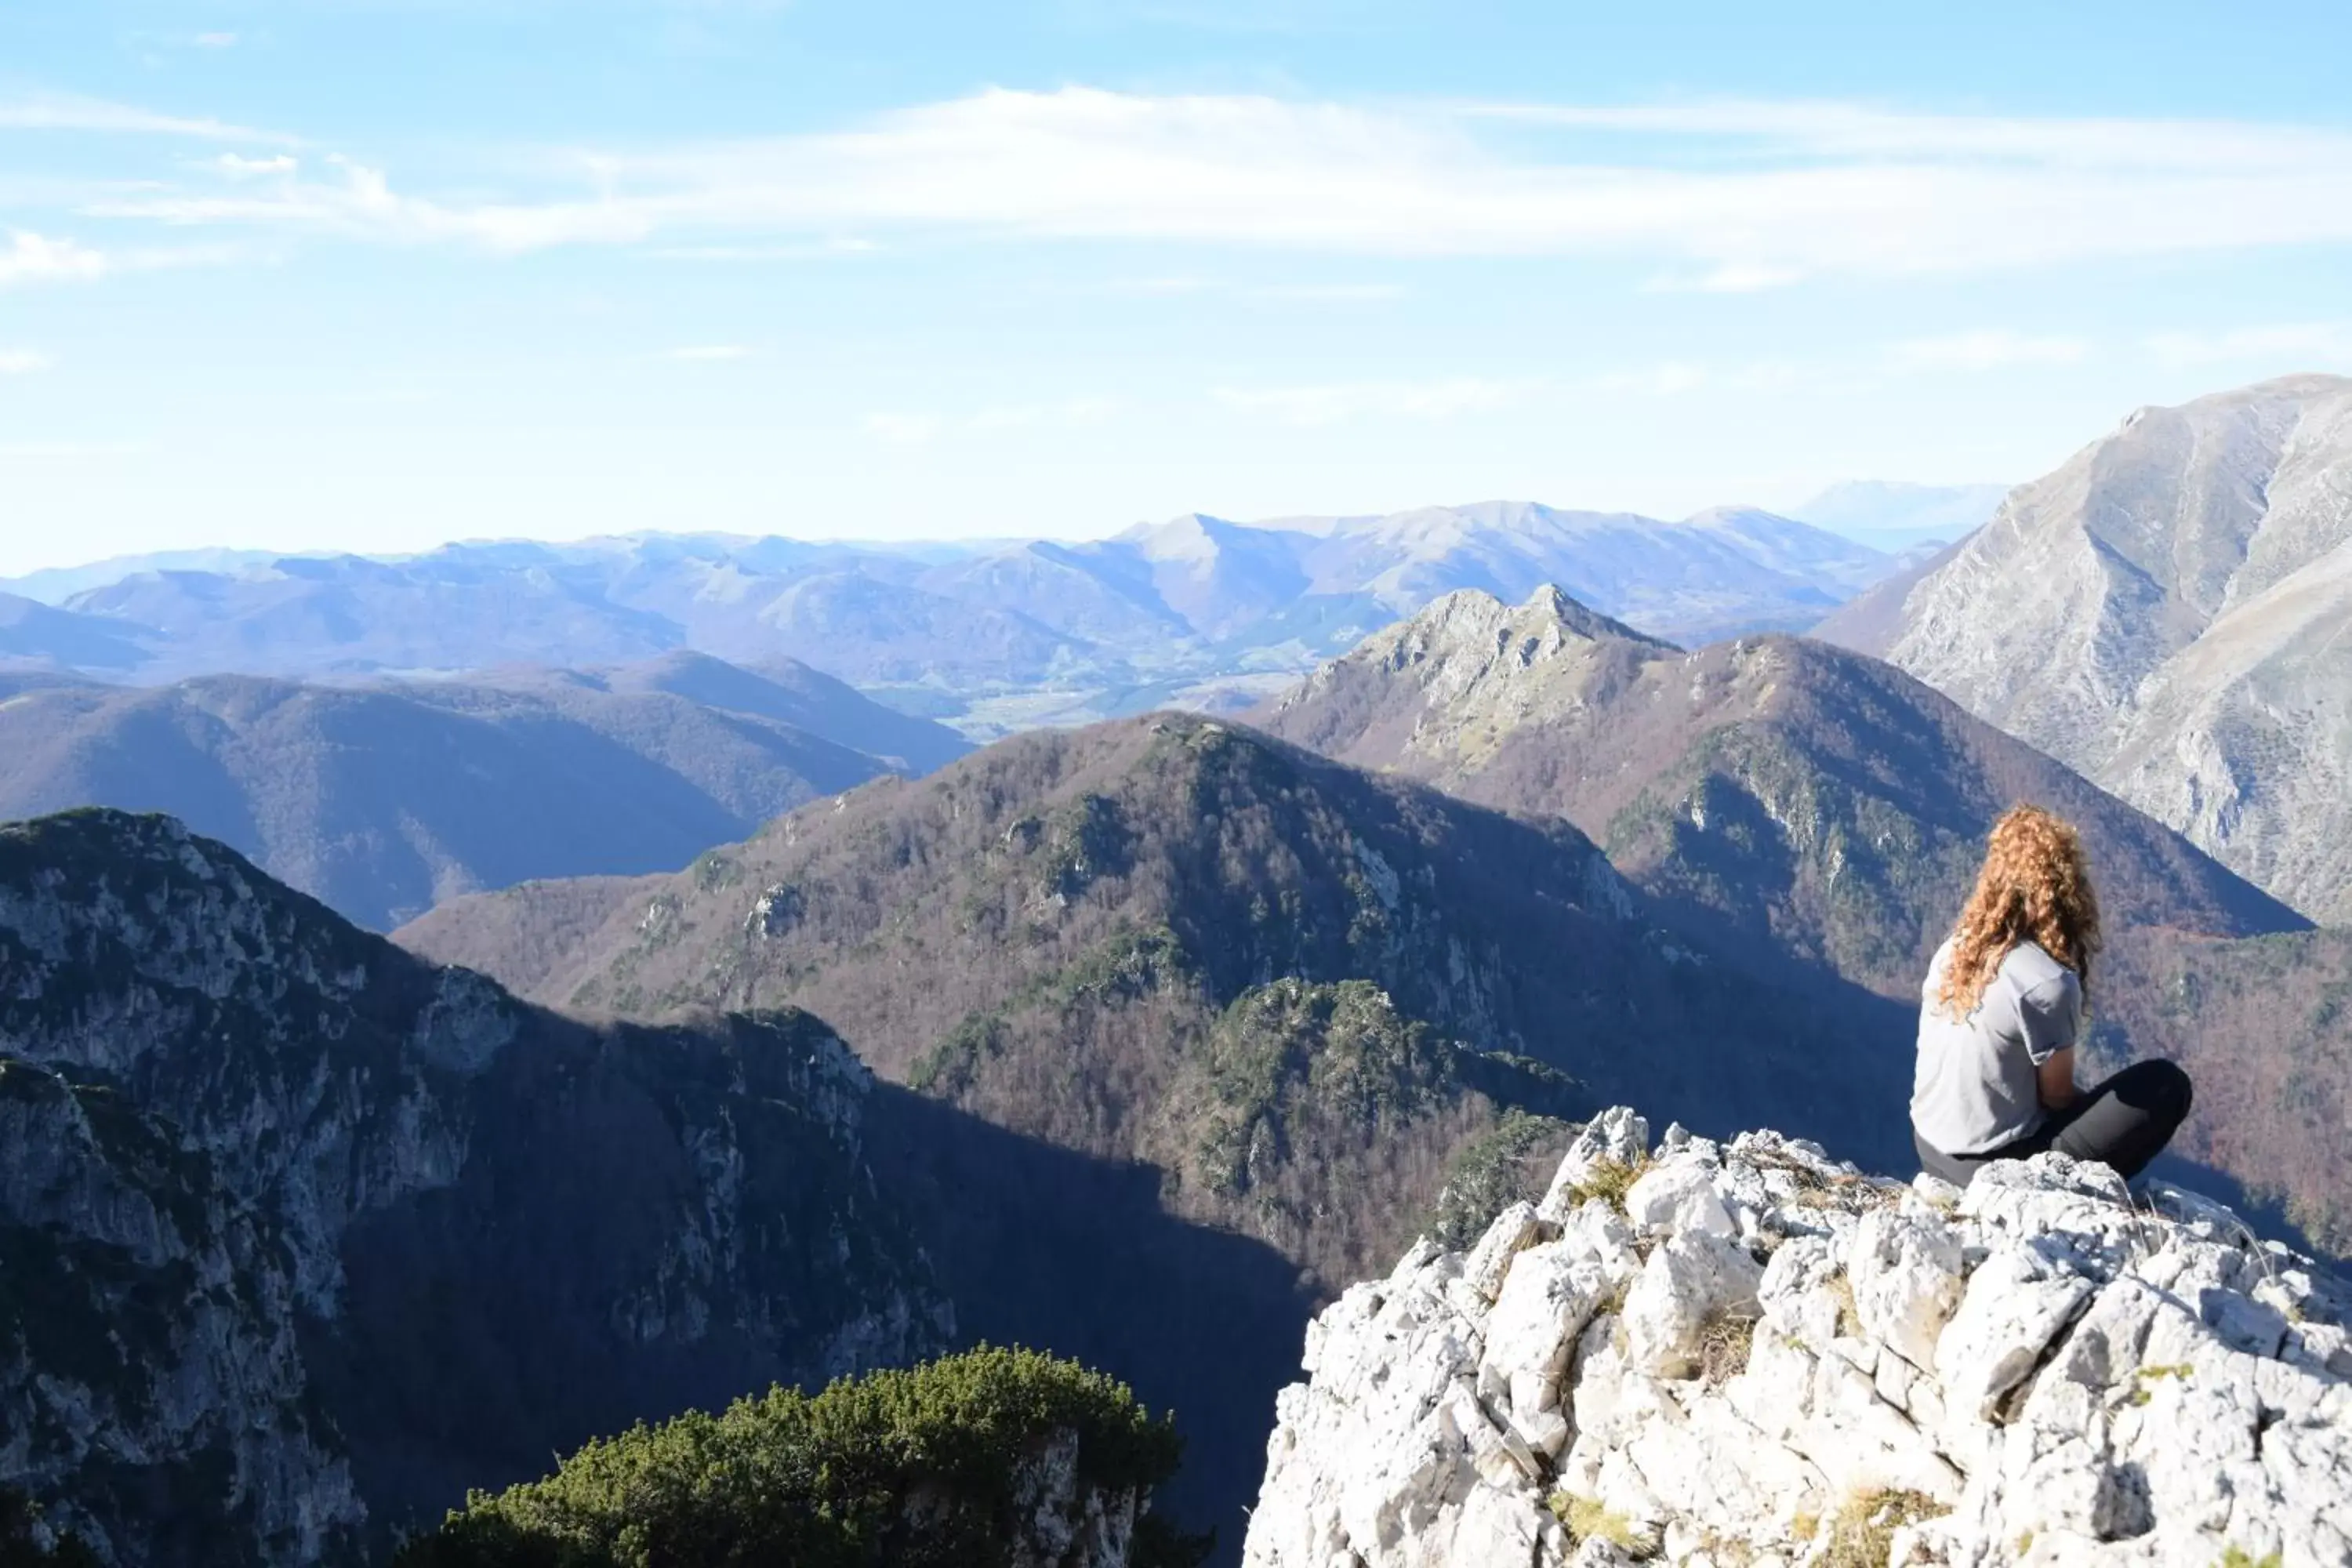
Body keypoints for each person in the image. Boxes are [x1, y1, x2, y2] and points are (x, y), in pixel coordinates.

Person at [1910, 804, 2193, 1189]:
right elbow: (2057, 1097)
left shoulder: (1957, 949)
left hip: (1929, 1150)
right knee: (2166, 1085)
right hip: (1992, 1171)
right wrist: (2096, 1108)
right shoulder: (2046, 983)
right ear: (2068, 892)